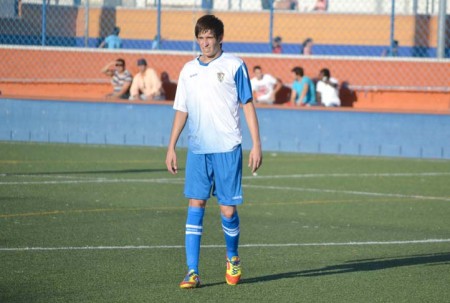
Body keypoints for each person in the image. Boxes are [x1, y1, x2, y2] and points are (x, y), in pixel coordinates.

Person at [165, 14, 262, 289]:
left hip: (228, 148)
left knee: (228, 211)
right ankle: (192, 271)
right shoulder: (187, 70)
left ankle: (232, 257)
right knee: (195, 205)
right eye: (201, 37)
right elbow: (181, 109)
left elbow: (247, 104)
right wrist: (171, 146)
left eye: (210, 37)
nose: (205, 43)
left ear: (220, 38)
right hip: (197, 149)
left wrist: (256, 144)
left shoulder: (234, 65)